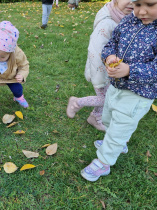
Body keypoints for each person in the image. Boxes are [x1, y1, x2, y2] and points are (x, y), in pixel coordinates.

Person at [81, 0, 157, 182]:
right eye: (137, 4)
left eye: (150, 5)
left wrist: (129, 70)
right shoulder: (128, 21)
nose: (141, 11)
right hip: (116, 85)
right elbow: (112, 43)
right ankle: (119, 143)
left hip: (140, 92)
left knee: (120, 125)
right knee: (108, 117)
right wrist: (110, 56)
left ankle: (104, 162)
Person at [66, 0, 134, 131]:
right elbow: (95, 51)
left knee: (107, 95)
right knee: (108, 98)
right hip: (103, 71)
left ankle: (95, 117)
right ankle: (77, 102)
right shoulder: (107, 23)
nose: (131, 3)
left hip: (115, 69)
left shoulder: (123, 18)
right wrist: (100, 77)